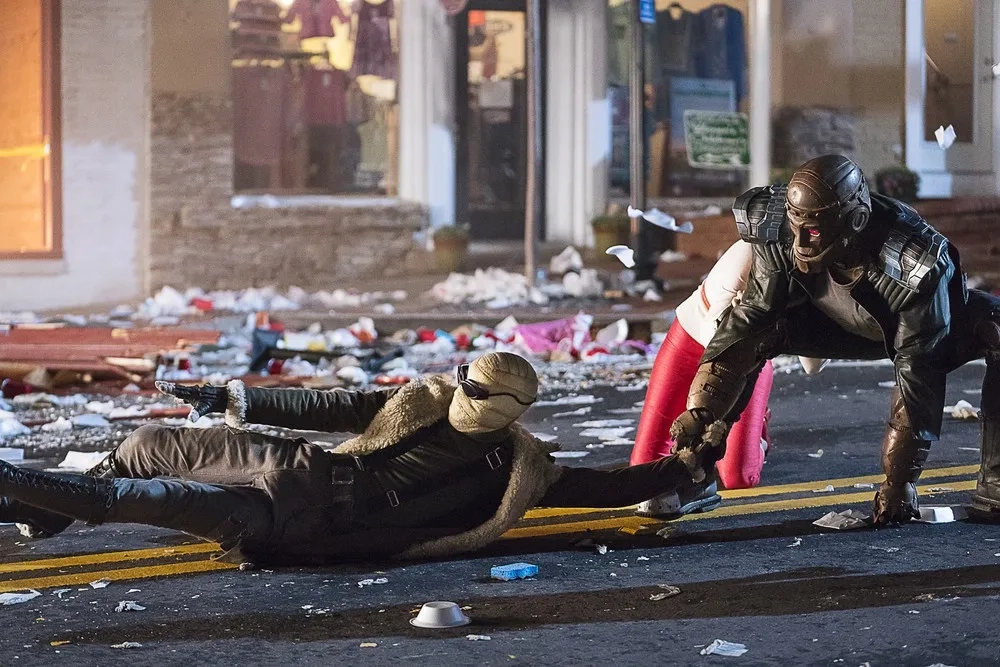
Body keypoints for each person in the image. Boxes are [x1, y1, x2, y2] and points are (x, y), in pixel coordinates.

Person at [0, 352, 721, 565]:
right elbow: (330, 407)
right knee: (143, 446)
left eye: (480, 388)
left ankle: (21, 488)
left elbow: (605, 485)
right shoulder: (427, 398)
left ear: (508, 411)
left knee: (150, 500)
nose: (463, 386)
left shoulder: (520, 467)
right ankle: (44, 508)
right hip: (297, 468)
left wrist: (683, 467)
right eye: (468, 376)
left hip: (295, 523)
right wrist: (225, 394)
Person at [666, 154, 1000, 526]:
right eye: (799, 227)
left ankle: (996, 483)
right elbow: (753, 318)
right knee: (755, 329)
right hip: (828, 322)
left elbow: (918, 368)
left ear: (854, 220)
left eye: (814, 229)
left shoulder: (912, 262)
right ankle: (697, 468)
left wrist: (899, 481)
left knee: (996, 327)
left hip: (916, 329)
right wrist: (700, 413)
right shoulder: (775, 223)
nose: (803, 240)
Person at [630, 239, 828, 518]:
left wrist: (819, 312)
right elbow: (720, 341)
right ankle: (726, 437)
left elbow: (813, 363)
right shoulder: (751, 249)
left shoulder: (823, 269)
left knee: (738, 477)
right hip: (699, 339)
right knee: (643, 470)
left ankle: (757, 430)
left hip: (751, 355)